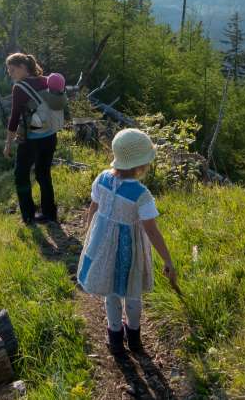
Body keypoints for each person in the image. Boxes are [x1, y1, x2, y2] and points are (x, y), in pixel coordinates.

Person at [77, 128, 178, 355]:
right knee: (132, 292)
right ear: (141, 165)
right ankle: (134, 336)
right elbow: (151, 231)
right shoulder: (141, 195)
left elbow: (93, 207)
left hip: (102, 244)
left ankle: (115, 337)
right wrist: (168, 260)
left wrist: (89, 231)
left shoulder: (102, 178)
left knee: (111, 291)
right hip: (128, 251)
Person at [4, 52, 59, 224]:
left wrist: (8, 144)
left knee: (21, 175)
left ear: (22, 67)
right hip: (50, 135)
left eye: (12, 70)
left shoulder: (19, 88)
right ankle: (49, 214)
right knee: (44, 174)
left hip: (31, 139)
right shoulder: (45, 80)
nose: (10, 74)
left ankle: (28, 215)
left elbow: (14, 118)